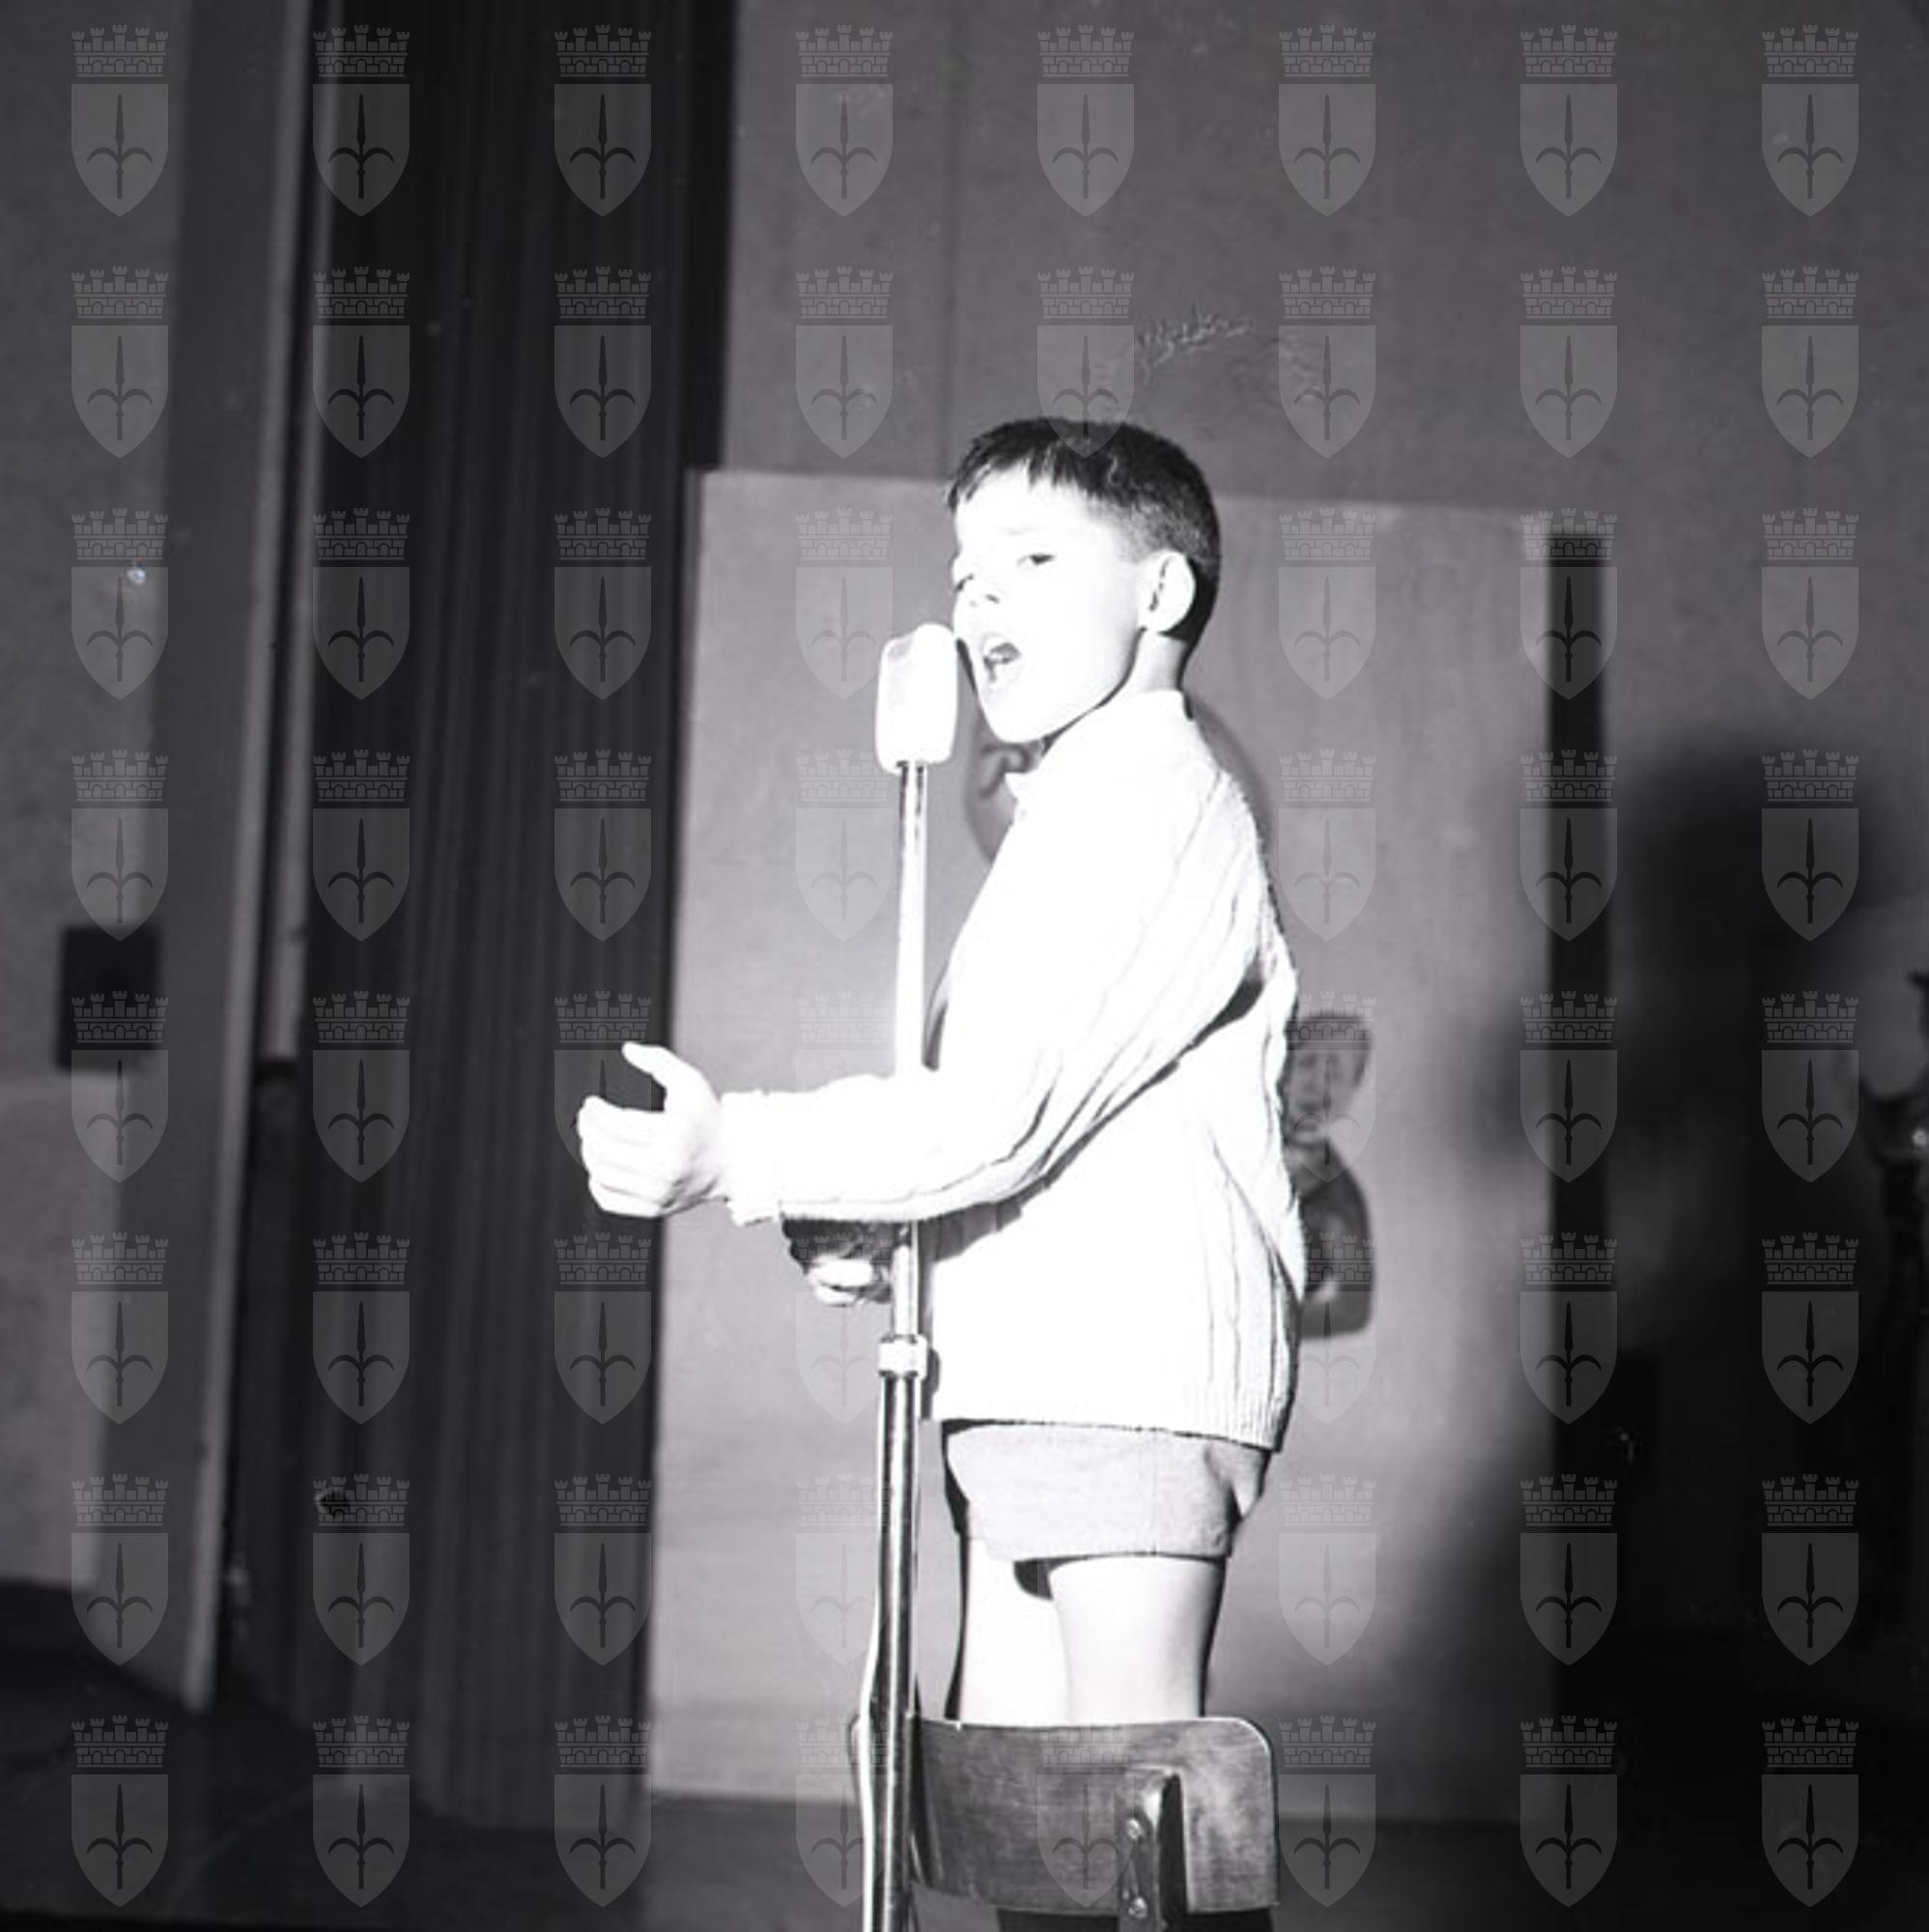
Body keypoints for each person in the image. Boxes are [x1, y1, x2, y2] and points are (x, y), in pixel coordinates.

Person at [578, 417, 1304, 1921]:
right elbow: (1033, 1135)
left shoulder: (1151, 796)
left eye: (1031, 558)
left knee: (1136, 1828)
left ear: (1160, 591)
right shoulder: (1069, 810)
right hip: (1033, 1373)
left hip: (1126, 1374)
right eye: (965, 566)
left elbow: (1003, 1114)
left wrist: (739, 1148)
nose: (976, 595)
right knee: (1031, 1836)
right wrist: (870, 1222)